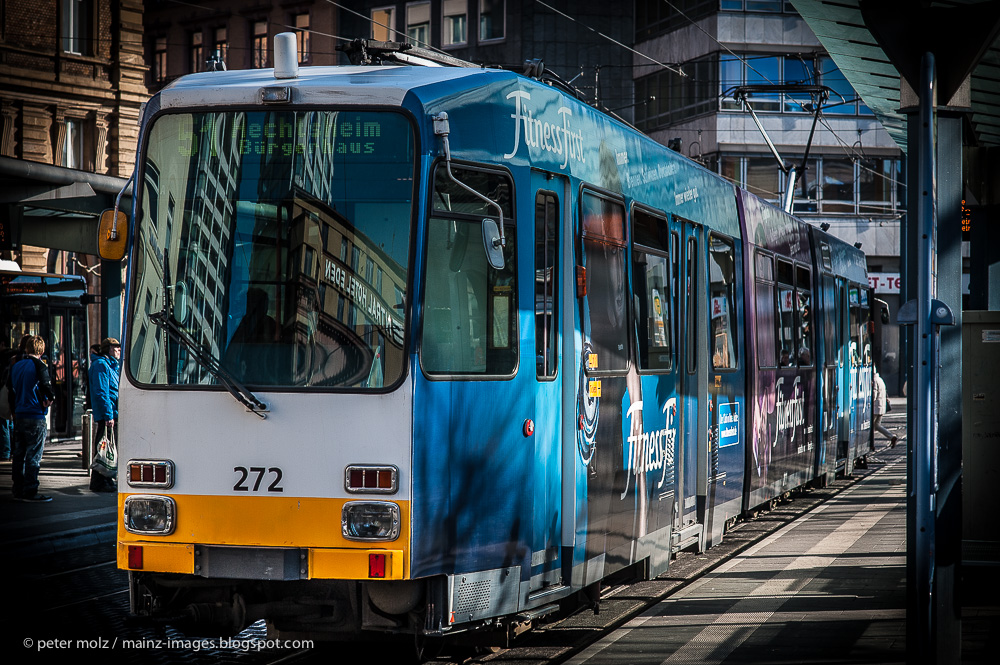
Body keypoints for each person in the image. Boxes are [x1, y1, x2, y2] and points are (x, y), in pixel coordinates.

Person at [5, 335, 56, 502]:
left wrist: (13, 412)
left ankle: (17, 488)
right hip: (35, 415)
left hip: (19, 414)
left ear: (26, 348)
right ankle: (31, 489)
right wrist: (48, 400)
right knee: (34, 455)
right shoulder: (40, 365)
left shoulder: (16, 365)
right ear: (41, 350)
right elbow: (47, 388)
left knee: (18, 454)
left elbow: (10, 391)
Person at [88, 337, 121, 493]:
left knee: (108, 448)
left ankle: (106, 479)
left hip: (112, 413)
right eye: (116, 348)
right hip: (107, 415)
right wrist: (108, 415)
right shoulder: (102, 365)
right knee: (103, 448)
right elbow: (102, 392)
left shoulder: (111, 365)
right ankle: (98, 481)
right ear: (108, 349)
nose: (119, 350)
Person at [873, 368, 897, 448]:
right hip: (881, 408)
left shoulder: (875, 381)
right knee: (877, 426)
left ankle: (870, 444)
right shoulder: (880, 380)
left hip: (875, 408)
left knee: (871, 427)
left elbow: (874, 395)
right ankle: (891, 437)